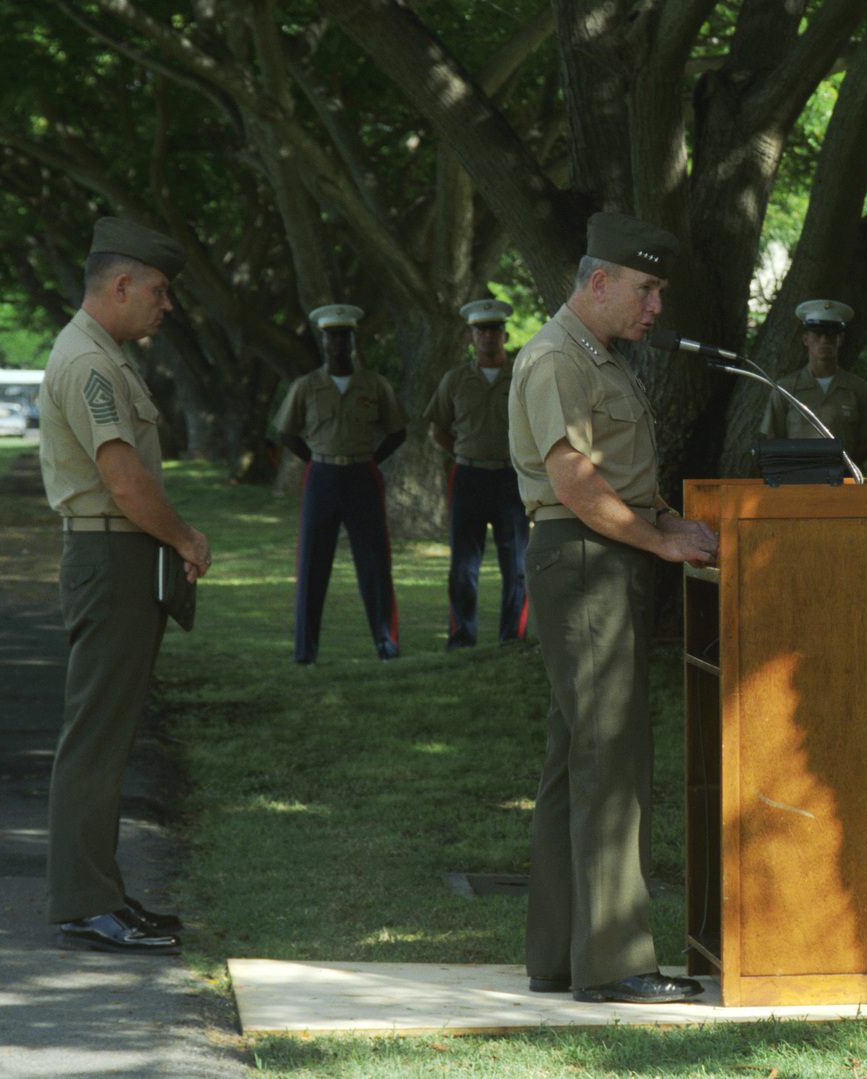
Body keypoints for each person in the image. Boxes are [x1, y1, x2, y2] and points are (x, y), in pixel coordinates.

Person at [509, 212, 716, 1005]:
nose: (656, 305)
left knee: (577, 757)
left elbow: (620, 478)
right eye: (647, 287)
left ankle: (561, 955)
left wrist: (665, 521)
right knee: (611, 759)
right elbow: (576, 483)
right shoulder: (558, 357)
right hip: (587, 557)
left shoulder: (600, 358)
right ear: (599, 281)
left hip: (606, 551)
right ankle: (613, 962)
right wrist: (658, 544)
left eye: (659, 289)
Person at [38, 217, 210, 954]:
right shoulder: (89, 362)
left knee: (108, 735)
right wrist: (184, 536)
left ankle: (100, 891)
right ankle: (85, 901)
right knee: (97, 737)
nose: (165, 305)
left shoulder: (102, 354)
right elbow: (123, 479)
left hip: (121, 557)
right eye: (159, 290)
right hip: (112, 556)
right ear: (121, 284)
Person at [275, 304, 407, 665]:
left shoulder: (375, 385)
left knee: (375, 563)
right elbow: (286, 432)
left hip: (363, 477)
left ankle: (385, 644)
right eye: (331, 336)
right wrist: (317, 459)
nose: (338, 342)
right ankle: (305, 651)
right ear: (323, 341)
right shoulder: (307, 386)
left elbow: (398, 430)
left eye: (344, 336)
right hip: (321, 476)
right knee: (312, 563)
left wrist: (370, 461)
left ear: (353, 340)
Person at [425, 298, 529, 650]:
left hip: (510, 481)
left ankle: (511, 639)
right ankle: (461, 638)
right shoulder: (455, 380)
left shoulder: (522, 377)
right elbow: (438, 429)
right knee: (464, 567)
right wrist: (466, 453)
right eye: (481, 330)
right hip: (468, 479)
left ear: (504, 334)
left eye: (495, 329)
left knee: (516, 566)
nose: (488, 336)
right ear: (471, 337)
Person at [759, 299, 867, 466]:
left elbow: (865, 442)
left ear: (840, 339)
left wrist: (847, 475)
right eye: (817, 334)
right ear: (805, 339)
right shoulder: (785, 389)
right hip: (797, 483)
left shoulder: (858, 389)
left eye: (831, 335)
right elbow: (773, 440)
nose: (824, 341)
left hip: (843, 484)